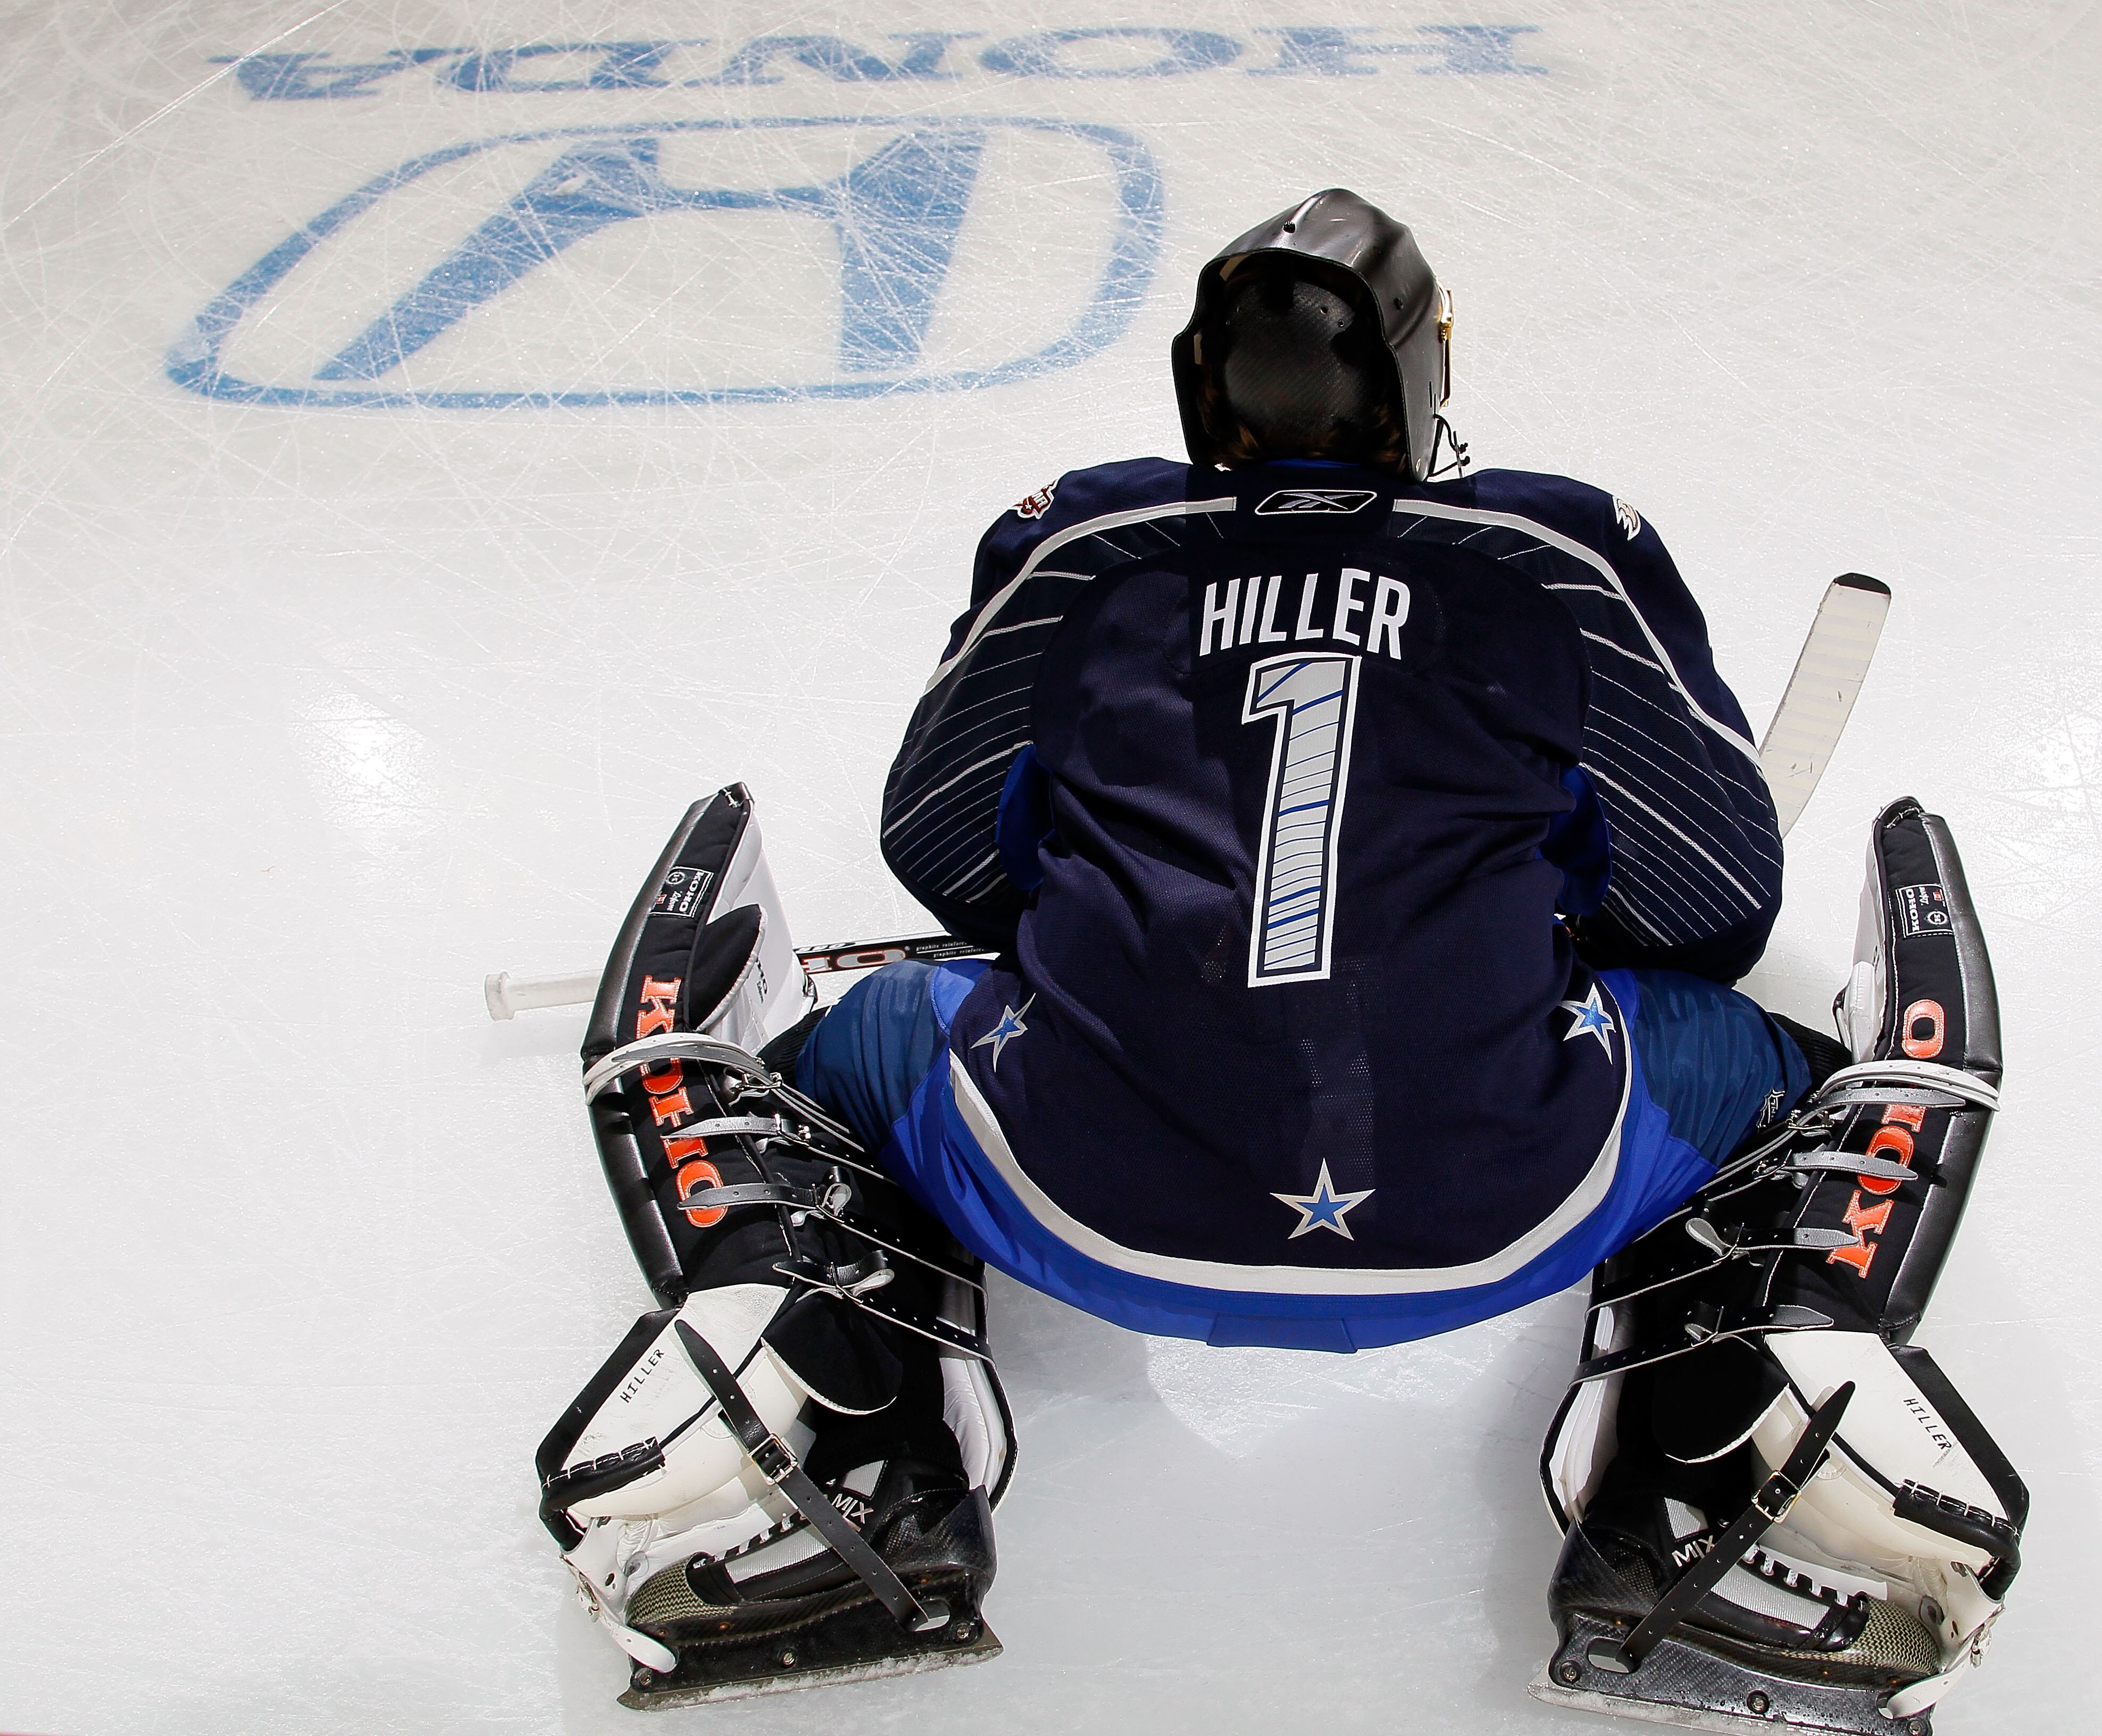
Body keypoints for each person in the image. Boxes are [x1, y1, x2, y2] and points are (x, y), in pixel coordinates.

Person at [535, 191, 2026, 1733]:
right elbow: (1710, 908)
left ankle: (864, 1429)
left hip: (1071, 1200)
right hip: (1513, 1213)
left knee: (845, 1059)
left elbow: (948, 856)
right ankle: (1697, 1463)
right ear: (1421, 371)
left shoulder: (1077, 540)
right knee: (1775, 1075)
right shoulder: (1562, 548)